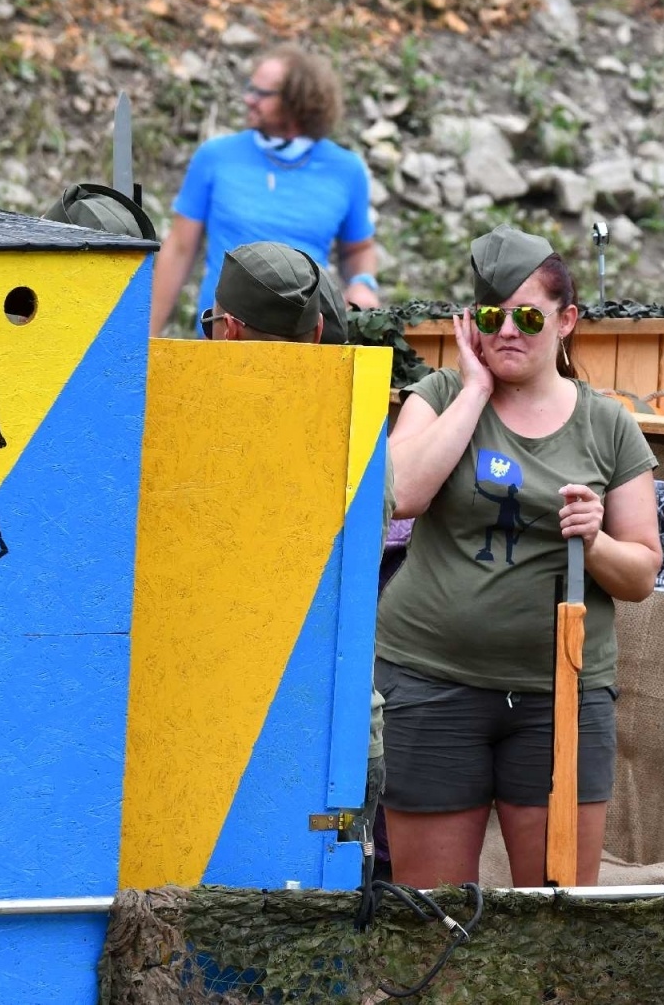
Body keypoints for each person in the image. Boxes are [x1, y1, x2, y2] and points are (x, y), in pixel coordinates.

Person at [375, 224, 662, 889]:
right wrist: (474, 389)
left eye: (527, 315)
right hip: (430, 682)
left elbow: (642, 572)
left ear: (566, 321)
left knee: (555, 921)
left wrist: (594, 541)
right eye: (490, 315)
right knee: (430, 919)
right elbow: (403, 494)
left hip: (559, 696)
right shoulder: (442, 395)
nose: (508, 330)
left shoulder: (609, 424)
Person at [199, 240, 390, 881]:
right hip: (333, 734)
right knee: (323, 908)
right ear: (316, 332)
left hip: (213, 732)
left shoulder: (183, 425)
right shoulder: (355, 432)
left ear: (226, 329)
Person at [149, 45, 382, 338]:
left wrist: (363, 282)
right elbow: (180, 249)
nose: (248, 99)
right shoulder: (215, 156)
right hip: (222, 341)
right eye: (250, 89)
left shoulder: (346, 170)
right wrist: (145, 339)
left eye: (261, 94)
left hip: (305, 346)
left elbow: (358, 249)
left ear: (298, 101)